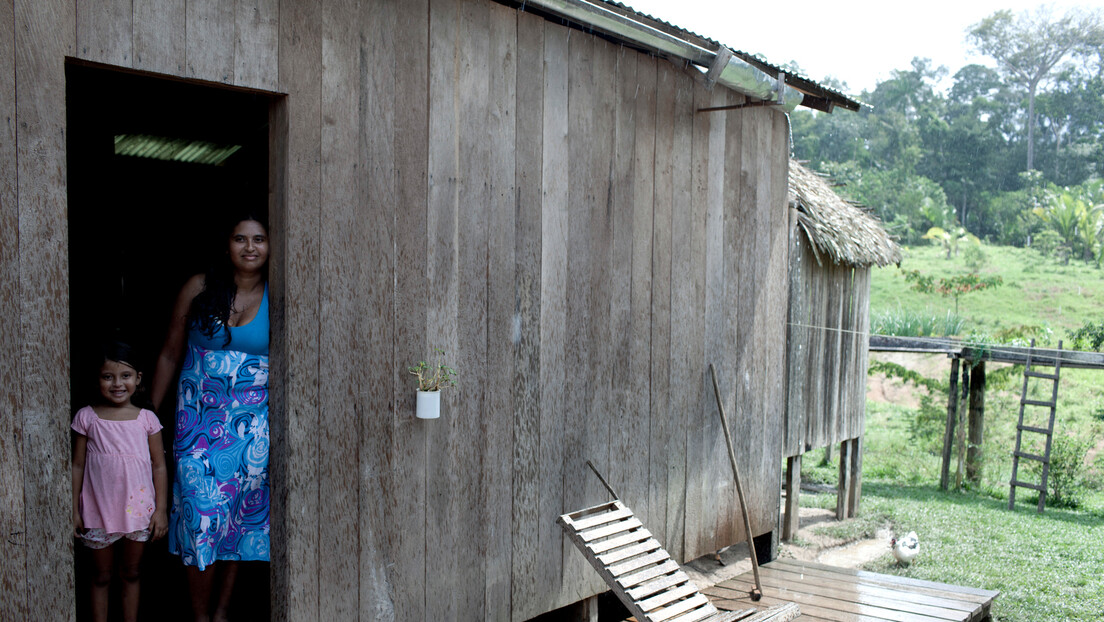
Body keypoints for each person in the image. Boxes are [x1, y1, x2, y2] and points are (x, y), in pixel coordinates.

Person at [151, 213, 270, 622]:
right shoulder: (199, 288)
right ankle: (201, 617)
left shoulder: (281, 293)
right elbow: (169, 352)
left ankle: (221, 613)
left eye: (258, 239)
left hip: (252, 433)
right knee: (201, 516)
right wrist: (147, 417)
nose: (250, 247)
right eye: (241, 239)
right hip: (195, 428)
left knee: (236, 521)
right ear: (227, 246)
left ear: (271, 247)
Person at [72, 341, 169, 622]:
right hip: (97, 511)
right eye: (108, 376)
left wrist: (160, 510)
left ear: (138, 379)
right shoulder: (86, 417)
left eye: (125, 376)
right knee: (101, 576)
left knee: (131, 572)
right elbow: (77, 464)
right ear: (97, 379)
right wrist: (73, 508)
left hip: (138, 512)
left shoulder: (147, 419)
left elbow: (159, 466)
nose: (117, 383)